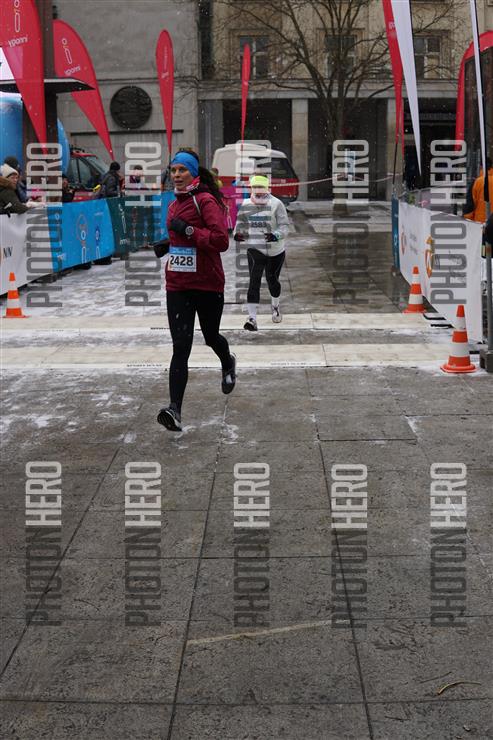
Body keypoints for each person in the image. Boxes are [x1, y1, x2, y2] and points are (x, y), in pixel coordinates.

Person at [157, 150, 236, 432]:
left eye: (182, 170)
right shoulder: (173, 204)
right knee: (181, 347)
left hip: (207, 284)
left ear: (193, 173)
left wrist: (189, 231)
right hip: (178, 285)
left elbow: (220, 240)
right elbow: (182, 236)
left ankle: (227, 361)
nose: (176, 175)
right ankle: (174, 410)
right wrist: (168, 244)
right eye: (173, 170)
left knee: (211, 336)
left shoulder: (205, 201)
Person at [233, 174, 290, 330]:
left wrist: (275, 235)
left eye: (261, 187)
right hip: (254, 248)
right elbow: (240, 223)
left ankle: (275, 306)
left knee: (272, 281)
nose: (258, 191)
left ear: (267, 188)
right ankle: (252, 318)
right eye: (255, 187)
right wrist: (238, 234)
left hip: (275, 250)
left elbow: (285, 226)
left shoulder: (277, 204)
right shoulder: (246, 204)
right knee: (254, 281)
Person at [464, 158, 493, 224]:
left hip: (480, 222)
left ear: (481, 167)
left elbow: (470, 205)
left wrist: (467, 220)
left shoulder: (477, 182)